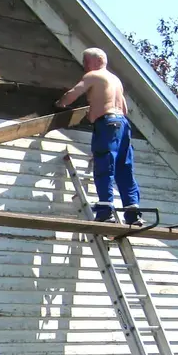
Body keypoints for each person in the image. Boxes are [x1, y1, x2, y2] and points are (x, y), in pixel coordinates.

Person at [56, 48, 143, 225]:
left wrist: (60, 103)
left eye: (85, 61)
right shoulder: (115, 80)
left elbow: (73, 94)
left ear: (95, 62)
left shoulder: (93, 76)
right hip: (123, 125)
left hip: (108, 123)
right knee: (124, 167)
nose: (84, 66)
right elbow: (124, 109)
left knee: (104, 164)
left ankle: (105, 210)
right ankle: (133, 212)